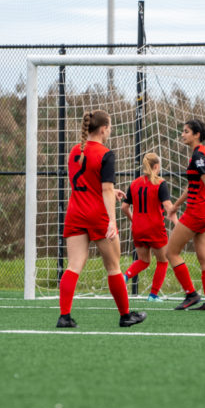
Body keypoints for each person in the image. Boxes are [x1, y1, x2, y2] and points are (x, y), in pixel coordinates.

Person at [56, 109, 146, 328]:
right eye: (110, 127)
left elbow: (87, 182)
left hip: (75, 212)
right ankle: (125, 315)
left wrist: (111, 192)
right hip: (97, 215)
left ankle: (64, 317)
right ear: (104, 128)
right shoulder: (106, 153)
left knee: (73, 266)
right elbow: (105, 189)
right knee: (113, 266)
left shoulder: (75, 151)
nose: (110, 130)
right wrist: (112, 221)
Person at [166, 119, 205, 311]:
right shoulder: (204, 153)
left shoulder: (199, 155)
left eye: (186, 131)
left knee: (171, 252)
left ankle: (191, 293)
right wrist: (176, 205)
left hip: (198, 212)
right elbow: (194, 185)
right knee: (204, 258)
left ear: (197, 135)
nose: (182, 134)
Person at [121, 152, 178, 301]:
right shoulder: (160, 183)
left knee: (144, 261)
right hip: (155, 228)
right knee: (163, 261)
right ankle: (153, 295)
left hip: (138, 228)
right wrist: (178, 224)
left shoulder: (134, 183)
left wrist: (134, 220)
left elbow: (124, 207)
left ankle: (124, 277)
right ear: (156, 166)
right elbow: (168, 206)